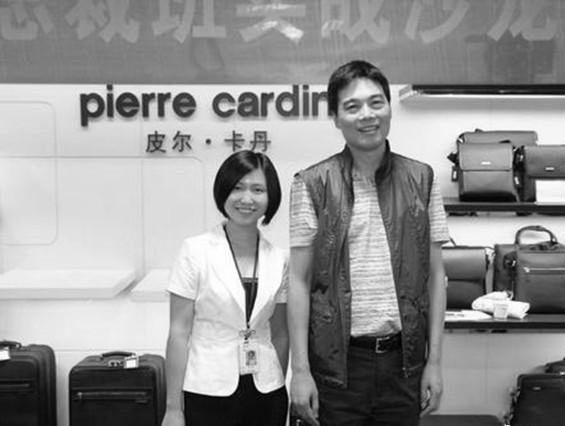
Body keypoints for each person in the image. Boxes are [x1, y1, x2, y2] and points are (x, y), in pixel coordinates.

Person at [288, 59, 449, 426]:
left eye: (376, 103)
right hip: (337, 364)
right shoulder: (310, 183)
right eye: (352, 106)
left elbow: (436, 277)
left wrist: (435, 362)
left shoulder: (422, 179)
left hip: (404, 363)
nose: (367, 115)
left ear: (389, 107)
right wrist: (300, 370)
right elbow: (298, 280)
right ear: (335, 117)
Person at [162, 150, 289, 426]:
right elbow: (179, 333)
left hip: (267, 392)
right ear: (223, 192)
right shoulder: (195, 251)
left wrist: (277, 379)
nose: (247, 198)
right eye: (237, 188)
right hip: (207, 388)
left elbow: (280, 332)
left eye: (258, 190)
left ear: (271, 197)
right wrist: (173, 408)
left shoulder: (279, 258)